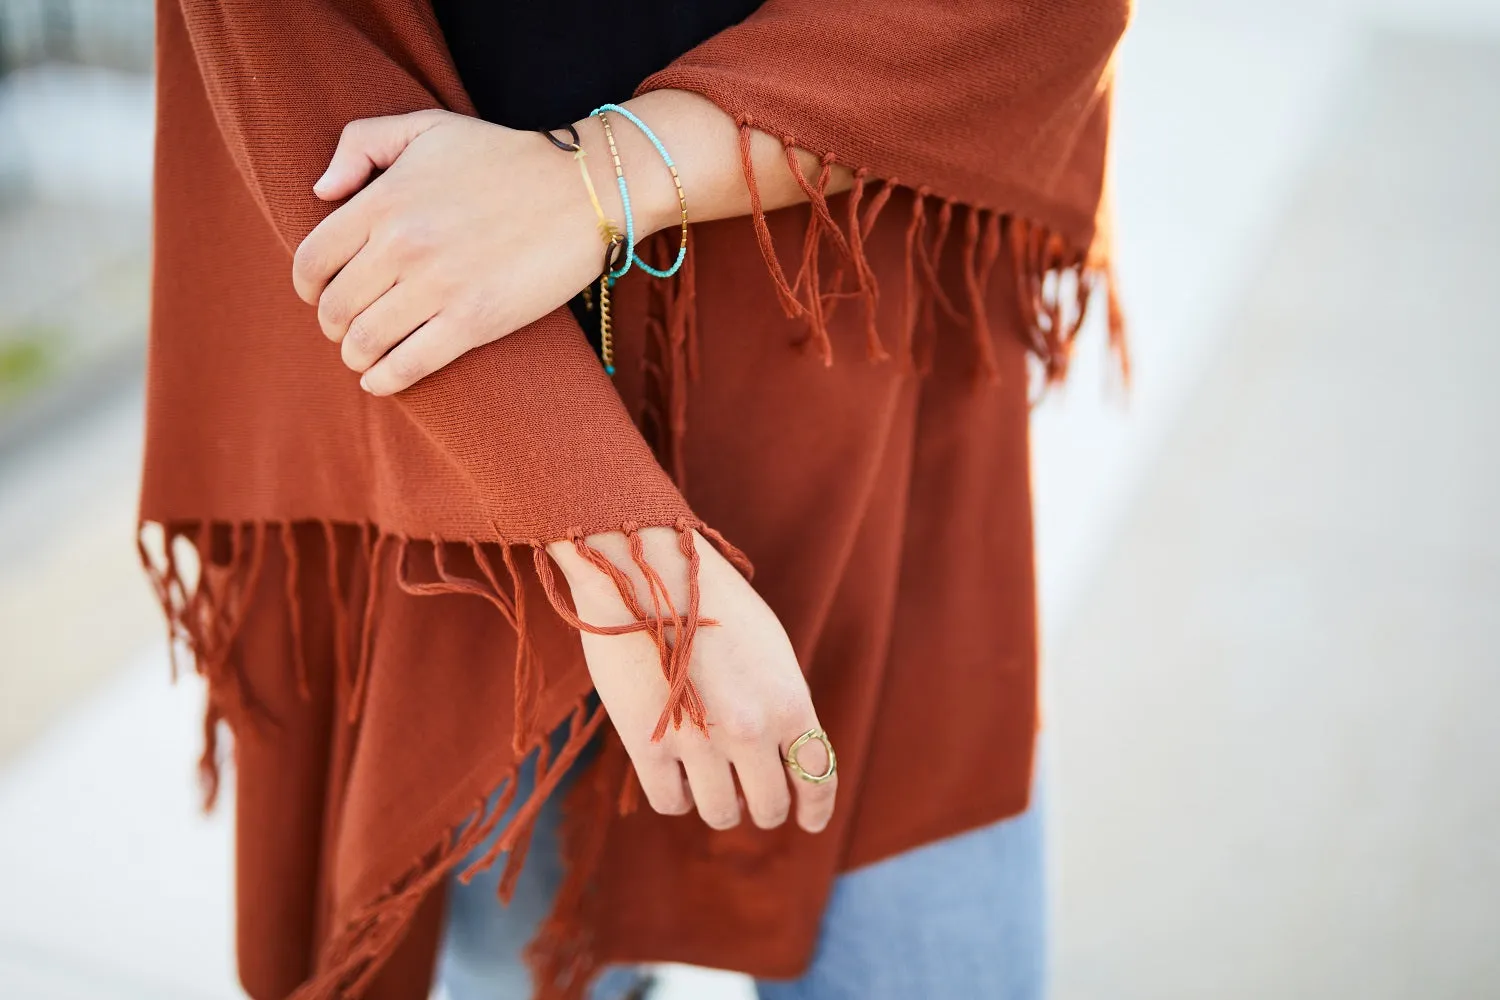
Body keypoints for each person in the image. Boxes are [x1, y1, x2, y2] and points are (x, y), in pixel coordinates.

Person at [139, 1, 1129, 998]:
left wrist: (597, 179)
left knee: (930, 941)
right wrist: (599, 520)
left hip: (858, 355)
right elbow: (296, 70)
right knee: (508, 953)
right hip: (461, 465)